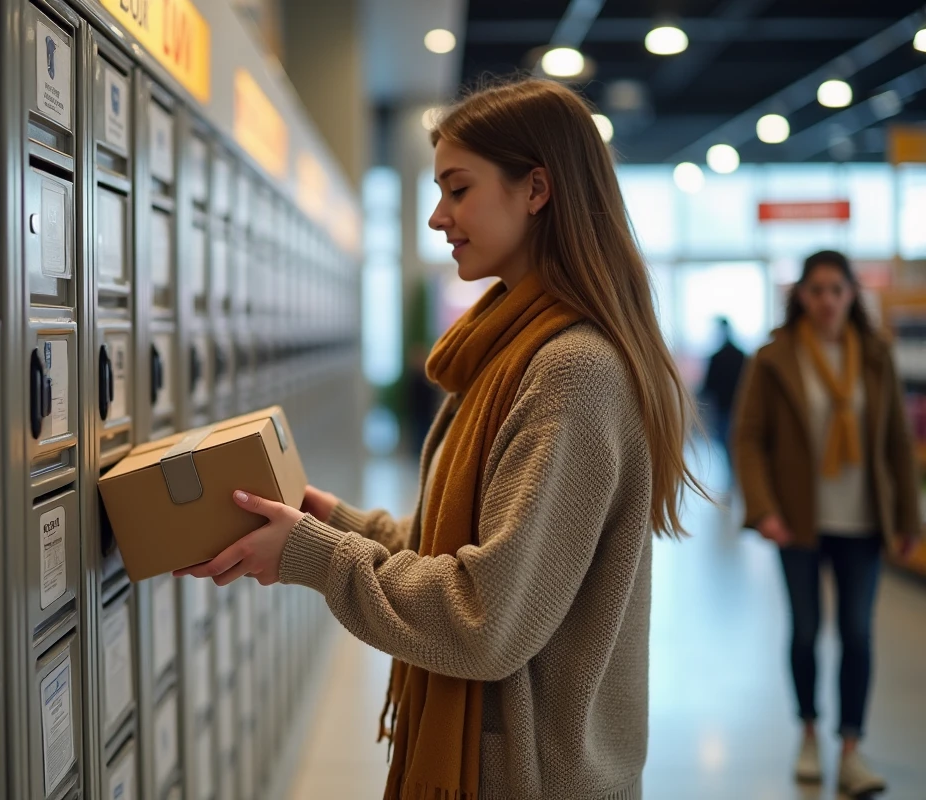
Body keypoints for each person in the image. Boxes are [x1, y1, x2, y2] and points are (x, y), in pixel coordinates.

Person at [178, 78, 704, 799]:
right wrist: (335, 523)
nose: (437, 217)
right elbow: (467, 550)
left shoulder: (571, 370)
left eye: (459, 189)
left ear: (537, 189)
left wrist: (317, 557)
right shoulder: (508, 351)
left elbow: (487, 618)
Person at [734, 250, 920, 797]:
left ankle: (852, 747)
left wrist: (907, 518)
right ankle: (810, 734)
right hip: (798, 521)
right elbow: (749, 438)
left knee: (858, 634)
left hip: (863, 519)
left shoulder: (875, 355)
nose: (827, 301)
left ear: (851, 294)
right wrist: (763, 508)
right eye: (816, 290)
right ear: (801, 296)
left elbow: (897, 442)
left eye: (836, 290)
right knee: (806, 631)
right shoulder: (775, 357)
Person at [700, 316, 747, 468]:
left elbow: (708, 385)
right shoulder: (741, 356)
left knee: (727, 443)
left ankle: (732, 471)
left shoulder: (717, 357)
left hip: (724, 407)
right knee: (735, 442)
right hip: (738, 407)